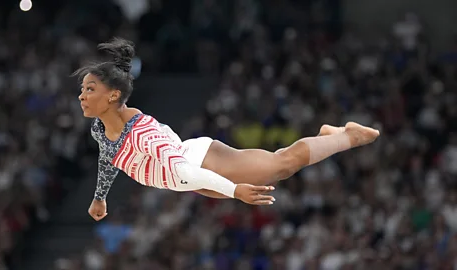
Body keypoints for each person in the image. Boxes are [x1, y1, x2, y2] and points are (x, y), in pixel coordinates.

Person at [76, 38, 380, 221]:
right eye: (82, 89)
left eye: (90, 89)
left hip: (200, 163)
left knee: (283, 165)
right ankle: (327, 137)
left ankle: (346, 136)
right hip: (185, 179)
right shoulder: (100, 130)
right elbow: (108, 157)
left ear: (113, 95)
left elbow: (182, 170)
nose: (82, 95)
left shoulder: (143, 133)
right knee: (279, 167)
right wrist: (100, 196)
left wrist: (235, 190)